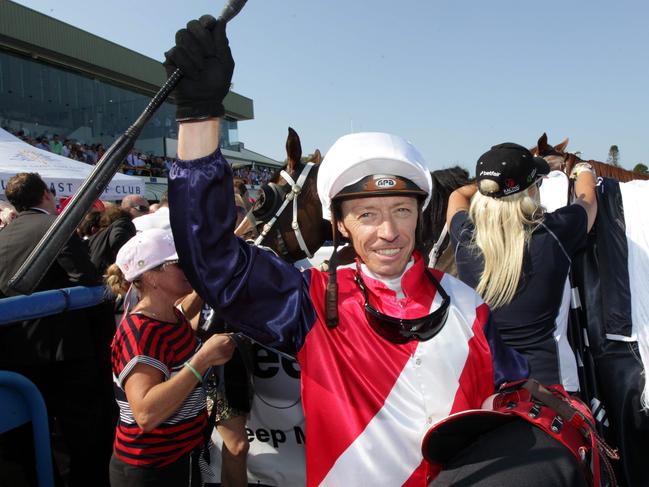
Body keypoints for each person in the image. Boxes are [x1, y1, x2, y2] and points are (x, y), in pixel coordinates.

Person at [162, 17, 534, 485]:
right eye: (367, 215)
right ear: (339, 223)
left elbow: (518, 397)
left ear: (420, 214)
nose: (388, 231)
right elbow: (212, 258)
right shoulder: (309, 303)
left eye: (401, 209)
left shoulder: (468, 305)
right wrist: (199, 116)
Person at [446, 143, 598, 391]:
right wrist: (583, 169)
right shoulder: (555, 232)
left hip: (488, 389)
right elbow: (588, 199)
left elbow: (457, 196)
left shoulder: (464, 236)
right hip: (552, 390)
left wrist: (489, 184)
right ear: (531, 189)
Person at [106, 228, 236, 487]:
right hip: (152, 470)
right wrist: (203, 360)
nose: (188, 267)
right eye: (178, 263)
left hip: (177, 458)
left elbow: (184, 317)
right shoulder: (141, 333)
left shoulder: (170, 317)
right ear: (151, 276)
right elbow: (146, 414)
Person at [0, 172, 106, 486]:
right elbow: (86, 279)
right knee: (83, 435)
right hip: (65, 354)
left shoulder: (3, 236)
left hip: (15, 354)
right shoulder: (54, 227)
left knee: (30, 439)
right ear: (46, 194)